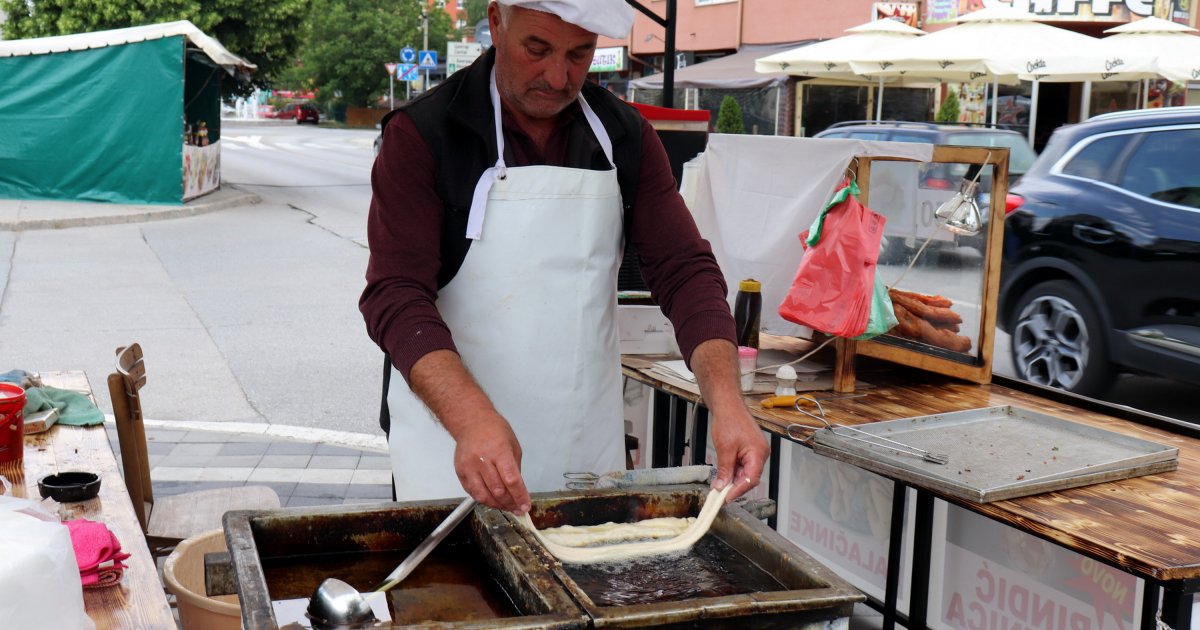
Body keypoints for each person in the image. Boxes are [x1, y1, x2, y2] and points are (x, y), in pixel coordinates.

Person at [360, 0, 768, 515]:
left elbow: (685, 270)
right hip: (451, 447)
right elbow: (394, 295)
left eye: (580, 53)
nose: (558, 77)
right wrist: (470, 418)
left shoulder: (624, 136)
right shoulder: (425, 134)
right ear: (495, 22)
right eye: (538, 49)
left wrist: (727, 403)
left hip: (582, 448)